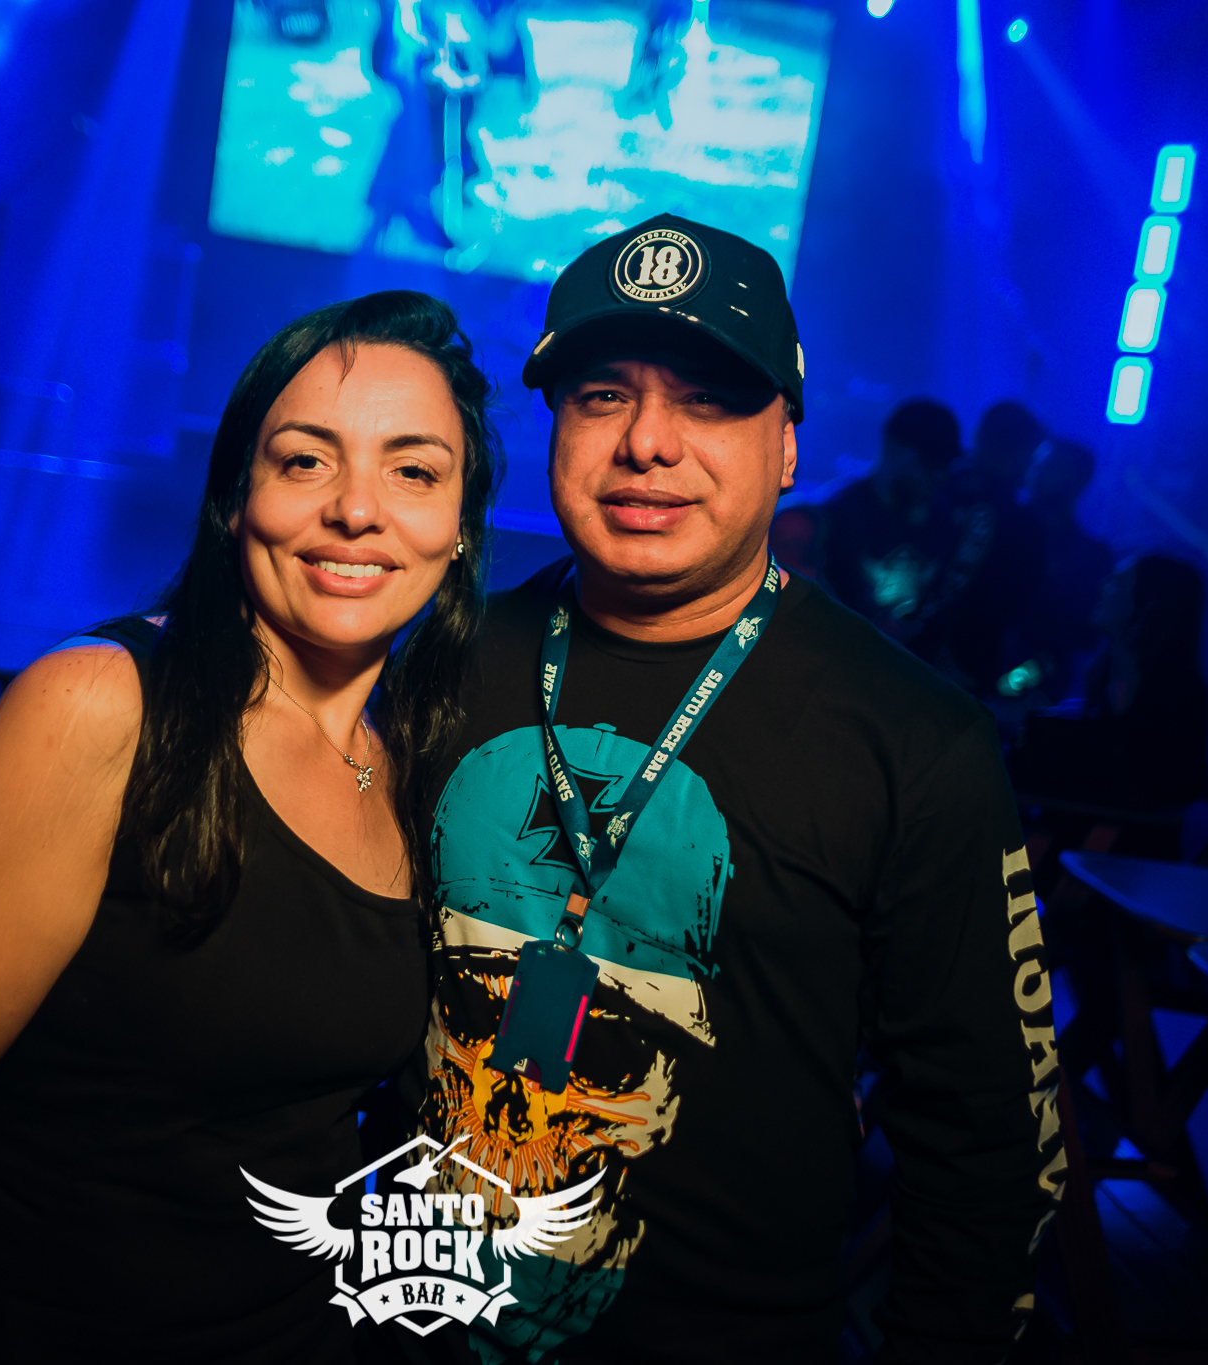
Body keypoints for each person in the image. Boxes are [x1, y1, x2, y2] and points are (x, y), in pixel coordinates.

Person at [409, 215, 1062, 1361]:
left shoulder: (915, 743)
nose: (645, 443)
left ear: (788, 449)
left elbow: (986, 1145)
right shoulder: (441, 662)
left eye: (706, 399)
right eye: (601, 396)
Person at [0, 290, 501, 1363]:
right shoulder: (98, 708)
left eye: (413, 471)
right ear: (236, 496)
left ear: (460, 526)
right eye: (305, 461)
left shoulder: (416, 763)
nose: (356, 510)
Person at [1008, 554, 1208, 854]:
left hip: (1115, 855)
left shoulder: (1179, 693)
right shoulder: (1114, 673)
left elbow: (1165, 791)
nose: (1102, 585)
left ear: (1149, 603)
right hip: (1081, 839)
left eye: (1118, 582)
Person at [919, 401, 1050, 694]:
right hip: (967, 666)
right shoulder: (1023, 526)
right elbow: (1022, 604)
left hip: (897, 639)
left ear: (978, 434)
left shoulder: (930, 488)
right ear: (1025, 452)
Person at [820, 398, 961, 642]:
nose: (939, 476)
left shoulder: (944, 521)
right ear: (892, 447)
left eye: (945, 464)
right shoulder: (838, 514)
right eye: (928, 462)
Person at [1016, 438, 1113, 699]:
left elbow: (1089, 635)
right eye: (1036, 463)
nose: (1037, 471)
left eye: (1051, 466)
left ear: (1079, 481)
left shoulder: (1092, 556)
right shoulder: (997, 523)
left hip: (1032, 690)